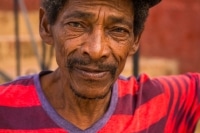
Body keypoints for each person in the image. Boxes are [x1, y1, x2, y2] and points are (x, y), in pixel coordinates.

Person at [0, 0, 199, 132]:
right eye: (77, 25)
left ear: (135, 39)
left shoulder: (157, 103)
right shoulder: (4, 109)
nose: (96, 50)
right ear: (46, 26)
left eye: (118, 30)